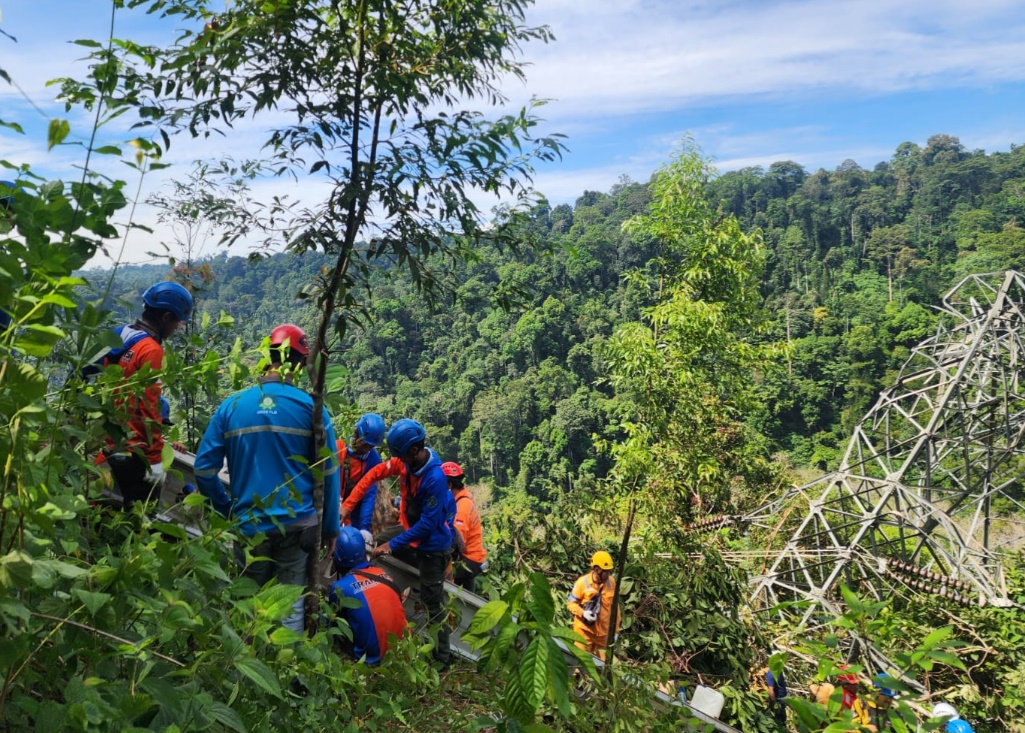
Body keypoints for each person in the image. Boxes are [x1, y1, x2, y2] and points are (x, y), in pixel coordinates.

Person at [194, 323, 341, 633]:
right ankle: (287, 675)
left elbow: (205, 469)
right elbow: (328, 473)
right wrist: (330, 527)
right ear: (301, 363)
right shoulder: (312, 409)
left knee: (247, 603)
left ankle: (243, 671)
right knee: (289, 608)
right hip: (297, 525)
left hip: (248, 524)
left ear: (268, 355)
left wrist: (227, 511)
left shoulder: (232, 406)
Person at [362, 418, 457, 668]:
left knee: (432, 602)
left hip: (432, 548)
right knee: (380, 540)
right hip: (413, 536)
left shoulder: (435, 478)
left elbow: (427, 524)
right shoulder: (412, 468)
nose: (399, 459)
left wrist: (392, 546)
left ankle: (442, 658)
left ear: (414, 451)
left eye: (401, 455)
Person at [101, 281, 193, 509]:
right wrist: (154, 461)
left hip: (107, 443)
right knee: (139, 518)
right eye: (177, 323)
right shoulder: (151, 350)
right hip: (135, 452)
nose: (175, 329)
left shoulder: (120, 335)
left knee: (104, 510)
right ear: (166, 317)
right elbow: (149, 410)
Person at [327, 526, 408, 664]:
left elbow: (335, 625)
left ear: (338, 556)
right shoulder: (384, 575)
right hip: (404, 653)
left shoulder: (339, 588)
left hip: (370, 660)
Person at [335, 413, 385, 549]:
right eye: (365, 444)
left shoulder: (373, 460)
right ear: (357, 434)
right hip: (334, 502)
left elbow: (369, 493)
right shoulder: (339, 448)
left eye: (370, 447)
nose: (365, 449)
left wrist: (364, 528)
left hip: (356, 508)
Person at [441, 461, 488, 592]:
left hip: (469, 559)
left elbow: (456, 542)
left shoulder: (461, 506)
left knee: (437, 574)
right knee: (467, 593)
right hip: (473, 557)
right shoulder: (460, 500)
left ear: (449, 485)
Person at [566, 550, 621, 660]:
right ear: (597, 570)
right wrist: (583, 613)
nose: (608, 574)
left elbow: (615, 608)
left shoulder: (611, 582)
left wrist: (616, 631)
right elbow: (570, 603)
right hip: (584, 632)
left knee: (602, 665)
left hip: (604, 634)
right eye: (606, 571)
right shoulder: (582, 583)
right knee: (579, 662)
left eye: (609, 571)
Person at [764, 663, 789, 729]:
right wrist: (775, 704)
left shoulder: (778, 671)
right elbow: (771, 690)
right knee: (778, 720)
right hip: (778, 701)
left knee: (783, 720)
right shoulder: (771, 674)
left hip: (782, 701)